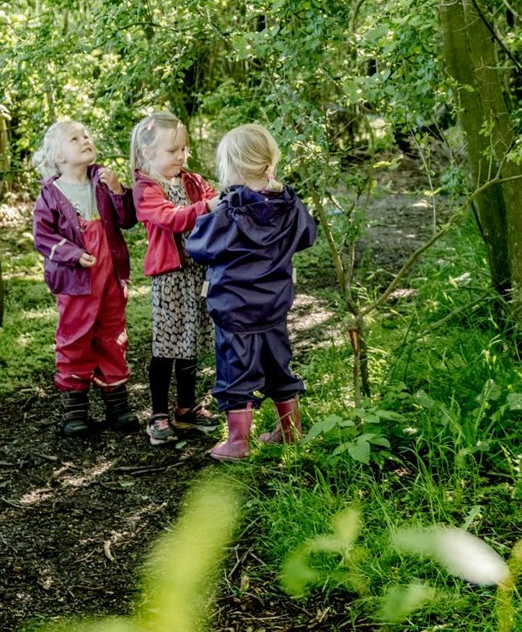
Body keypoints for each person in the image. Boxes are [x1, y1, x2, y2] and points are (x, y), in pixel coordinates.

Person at [183, 123, 316, 461]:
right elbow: (307, 236)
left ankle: (239, 442)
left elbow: (198, 246)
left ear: (230, 168)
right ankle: (290, 429)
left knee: (235, 370)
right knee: (278, 364)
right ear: (270, 163)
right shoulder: (289, 205)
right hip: (273, 306)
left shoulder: (229, 211)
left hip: (234, 308)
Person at [31, 119, 138, 435]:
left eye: (86, 135)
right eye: (74, 138)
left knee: (113, 334)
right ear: (58, 155)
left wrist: (119, 191)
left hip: (111, 275)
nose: (84, 140)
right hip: (75, 279)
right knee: (75, 336)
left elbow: (127, 219)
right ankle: (75, 410)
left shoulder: (103, 181)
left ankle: (117, 406)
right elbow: (43, 236)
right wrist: (73, 254)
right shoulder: (52, 193)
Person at [130, 112, 220, 446]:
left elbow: (214, 197)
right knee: (166, 345)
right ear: (147, 153)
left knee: (189, 341)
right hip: (170, 278)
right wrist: (208, 207)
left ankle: (185, 409)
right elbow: (171, 219)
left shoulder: (193, 182)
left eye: (183, 149)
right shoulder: (146, 189)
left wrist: (219, 201)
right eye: (172, 151)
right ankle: (157, 414)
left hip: (198, 273)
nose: (180, 156)